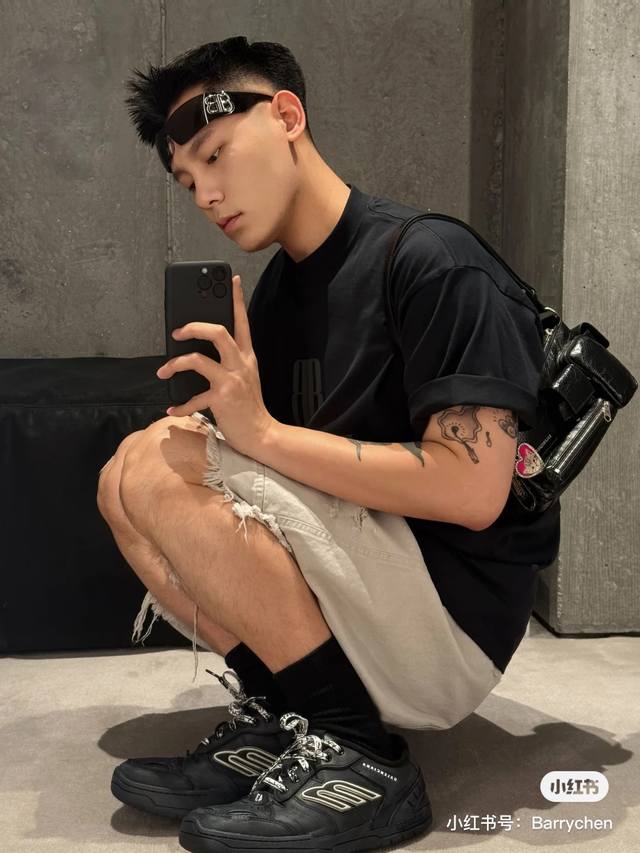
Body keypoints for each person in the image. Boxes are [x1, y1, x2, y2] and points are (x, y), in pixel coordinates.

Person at [99, 35, 560, 851]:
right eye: (188, 181)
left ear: (286, 116)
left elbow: (473, 491)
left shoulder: (431, 260)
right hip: (371, 587)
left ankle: (359, 753)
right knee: (126, 474)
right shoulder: (282, 292)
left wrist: (259, 435)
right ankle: (290, 714)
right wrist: (232, 428)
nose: (207, 194)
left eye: (215, 155)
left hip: (449, 621)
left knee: (157, 464)